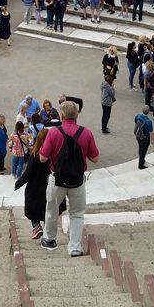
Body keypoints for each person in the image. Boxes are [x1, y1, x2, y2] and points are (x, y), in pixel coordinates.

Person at [39, 100, 100, 256]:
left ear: (62, 115)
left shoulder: (53, 132)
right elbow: (95, 158)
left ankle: (49, 238)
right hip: (77, 181)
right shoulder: (86, 133)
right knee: (77, 214)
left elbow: (43, 158)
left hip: (57, 179)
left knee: (52, 210)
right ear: (77, 115)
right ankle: (74, 248)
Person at [14, 129, 55, 238]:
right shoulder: (55, 154)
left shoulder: (36, 155)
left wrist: (19, 183)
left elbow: (28, 173)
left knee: (32, 207)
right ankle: (48, 231)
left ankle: (36, 226)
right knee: (48, 209)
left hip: (35, 186)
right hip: (50, 185)